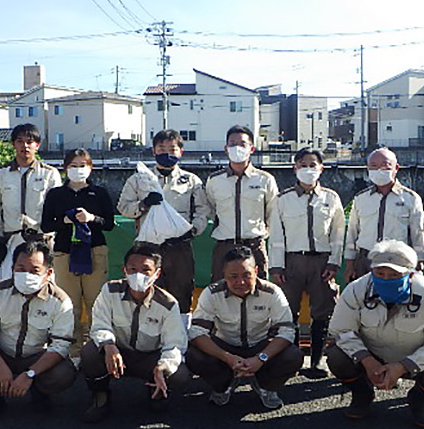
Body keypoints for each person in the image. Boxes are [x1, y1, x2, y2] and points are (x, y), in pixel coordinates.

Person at [326, 240, 424, 428]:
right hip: (371, 356)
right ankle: (362, 393)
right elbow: (340, 330)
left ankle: (419, 401)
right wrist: (366, 360)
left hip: (413, 359)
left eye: (394, 274)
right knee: (336, 356)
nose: (386, 278)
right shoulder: (356, 289)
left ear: (409, 274)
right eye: (379, 273)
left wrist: (403, 366)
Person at [0, 240, 77, 424]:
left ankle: (39, 394)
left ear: (48, 273)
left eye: (34, 270)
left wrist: (30, 374)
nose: (26, 275)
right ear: (12, 268)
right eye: (20, 268)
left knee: (64, 372)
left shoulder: (60, 301)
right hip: (1, 353)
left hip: (35, 358)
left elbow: (61, 346)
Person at [80, 243, 190, 422]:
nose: (138, 275)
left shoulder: (168, 305)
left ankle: (156, 388)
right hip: (117, 354)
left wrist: (164, 366)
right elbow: (100, 324)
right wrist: (108, 345)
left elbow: (175, 343)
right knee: (90, 352)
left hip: (149, 358)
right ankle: (100, 396)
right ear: (124, 270)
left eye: (146, 270)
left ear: (157, 273)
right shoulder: (109, 291)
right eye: (132, 269)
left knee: (180, 375)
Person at [186, 246, 303, 410]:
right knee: (194, 355)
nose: (240, 282)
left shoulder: (272, 292)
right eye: (233, 276)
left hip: (260, 346)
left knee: (294, 356)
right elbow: (197, 332)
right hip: (225, 346)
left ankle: (265, 386)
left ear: (256, 271)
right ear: (224, 275)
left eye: (246, 275)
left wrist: (261, 358)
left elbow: (287, 332)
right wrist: (227, 357)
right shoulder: (211, 293)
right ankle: (223, 386)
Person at [269, 148, 345, 378]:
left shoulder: (331, 198)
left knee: (322, 312)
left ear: (321, 168)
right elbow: (276, 236)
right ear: (295, 168)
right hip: (291, 261)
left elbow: (338, 234)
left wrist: (333, 263)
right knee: (287, 311)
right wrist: (276, 266)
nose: (308, 169)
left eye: (313, 165)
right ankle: (289, 361)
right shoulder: (283, 199)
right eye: (303, 165)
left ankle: (317, 361)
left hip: (321, 262)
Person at [117, 129, 208, 322]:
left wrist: (193, 231)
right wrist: (144, 204)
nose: (167, 152)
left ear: (181, 151)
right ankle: (145, 335)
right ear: (153, 150)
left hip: (179, 246)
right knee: (144, 289)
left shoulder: (191, 181)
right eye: (161, 148)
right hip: (147, 247)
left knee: (182, 291)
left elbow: (203, 210)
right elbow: (123, 208)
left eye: (172, 149)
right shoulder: (140, 179)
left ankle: (181, 337)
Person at [41, 149, 115, 358]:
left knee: (96, 303)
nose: (78, 169)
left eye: (83, 165)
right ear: (65, 168)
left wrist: (92, 218)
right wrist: (63, 221)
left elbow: (109, 224)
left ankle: (95, 350)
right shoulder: (56, 194)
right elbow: (46, 224)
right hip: (65, 252)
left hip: (95, 252)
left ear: (90, 168)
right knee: (69, 305)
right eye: (73, 165)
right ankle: (72, 352)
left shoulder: (99, 193)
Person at [0, 123, 62, 281]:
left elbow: (57, 210)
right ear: (14, 144)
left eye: (29, 141)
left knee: (44, 286)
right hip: (11, 240)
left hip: (41, 239)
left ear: (37, 145)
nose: (25, 146)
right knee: (9, 287)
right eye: (20, 141)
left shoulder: (50, 174)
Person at [205, 125, 279, 282]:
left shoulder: (265, 179)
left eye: (242, 144)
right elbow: (211, 210)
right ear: (226, 148)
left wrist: (262, 236)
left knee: (258, 294)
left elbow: (273, 213)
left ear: (251, 148)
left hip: (254, 247)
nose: (237, 148)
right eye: (232, 144)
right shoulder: (214, 181)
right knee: (220, 294)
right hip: (224, 247)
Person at [344, 147, 424, 282]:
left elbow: (418, 233)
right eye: (374, 166)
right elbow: (352, 232)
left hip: (398, 259)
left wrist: (419, 262)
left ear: (396, 168)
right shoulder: (361, 198)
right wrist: (349, 264)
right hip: (365, 259)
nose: (379, 170)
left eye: (385, 166)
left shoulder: (410, 198)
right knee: (364, 299)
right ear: (367, 168)